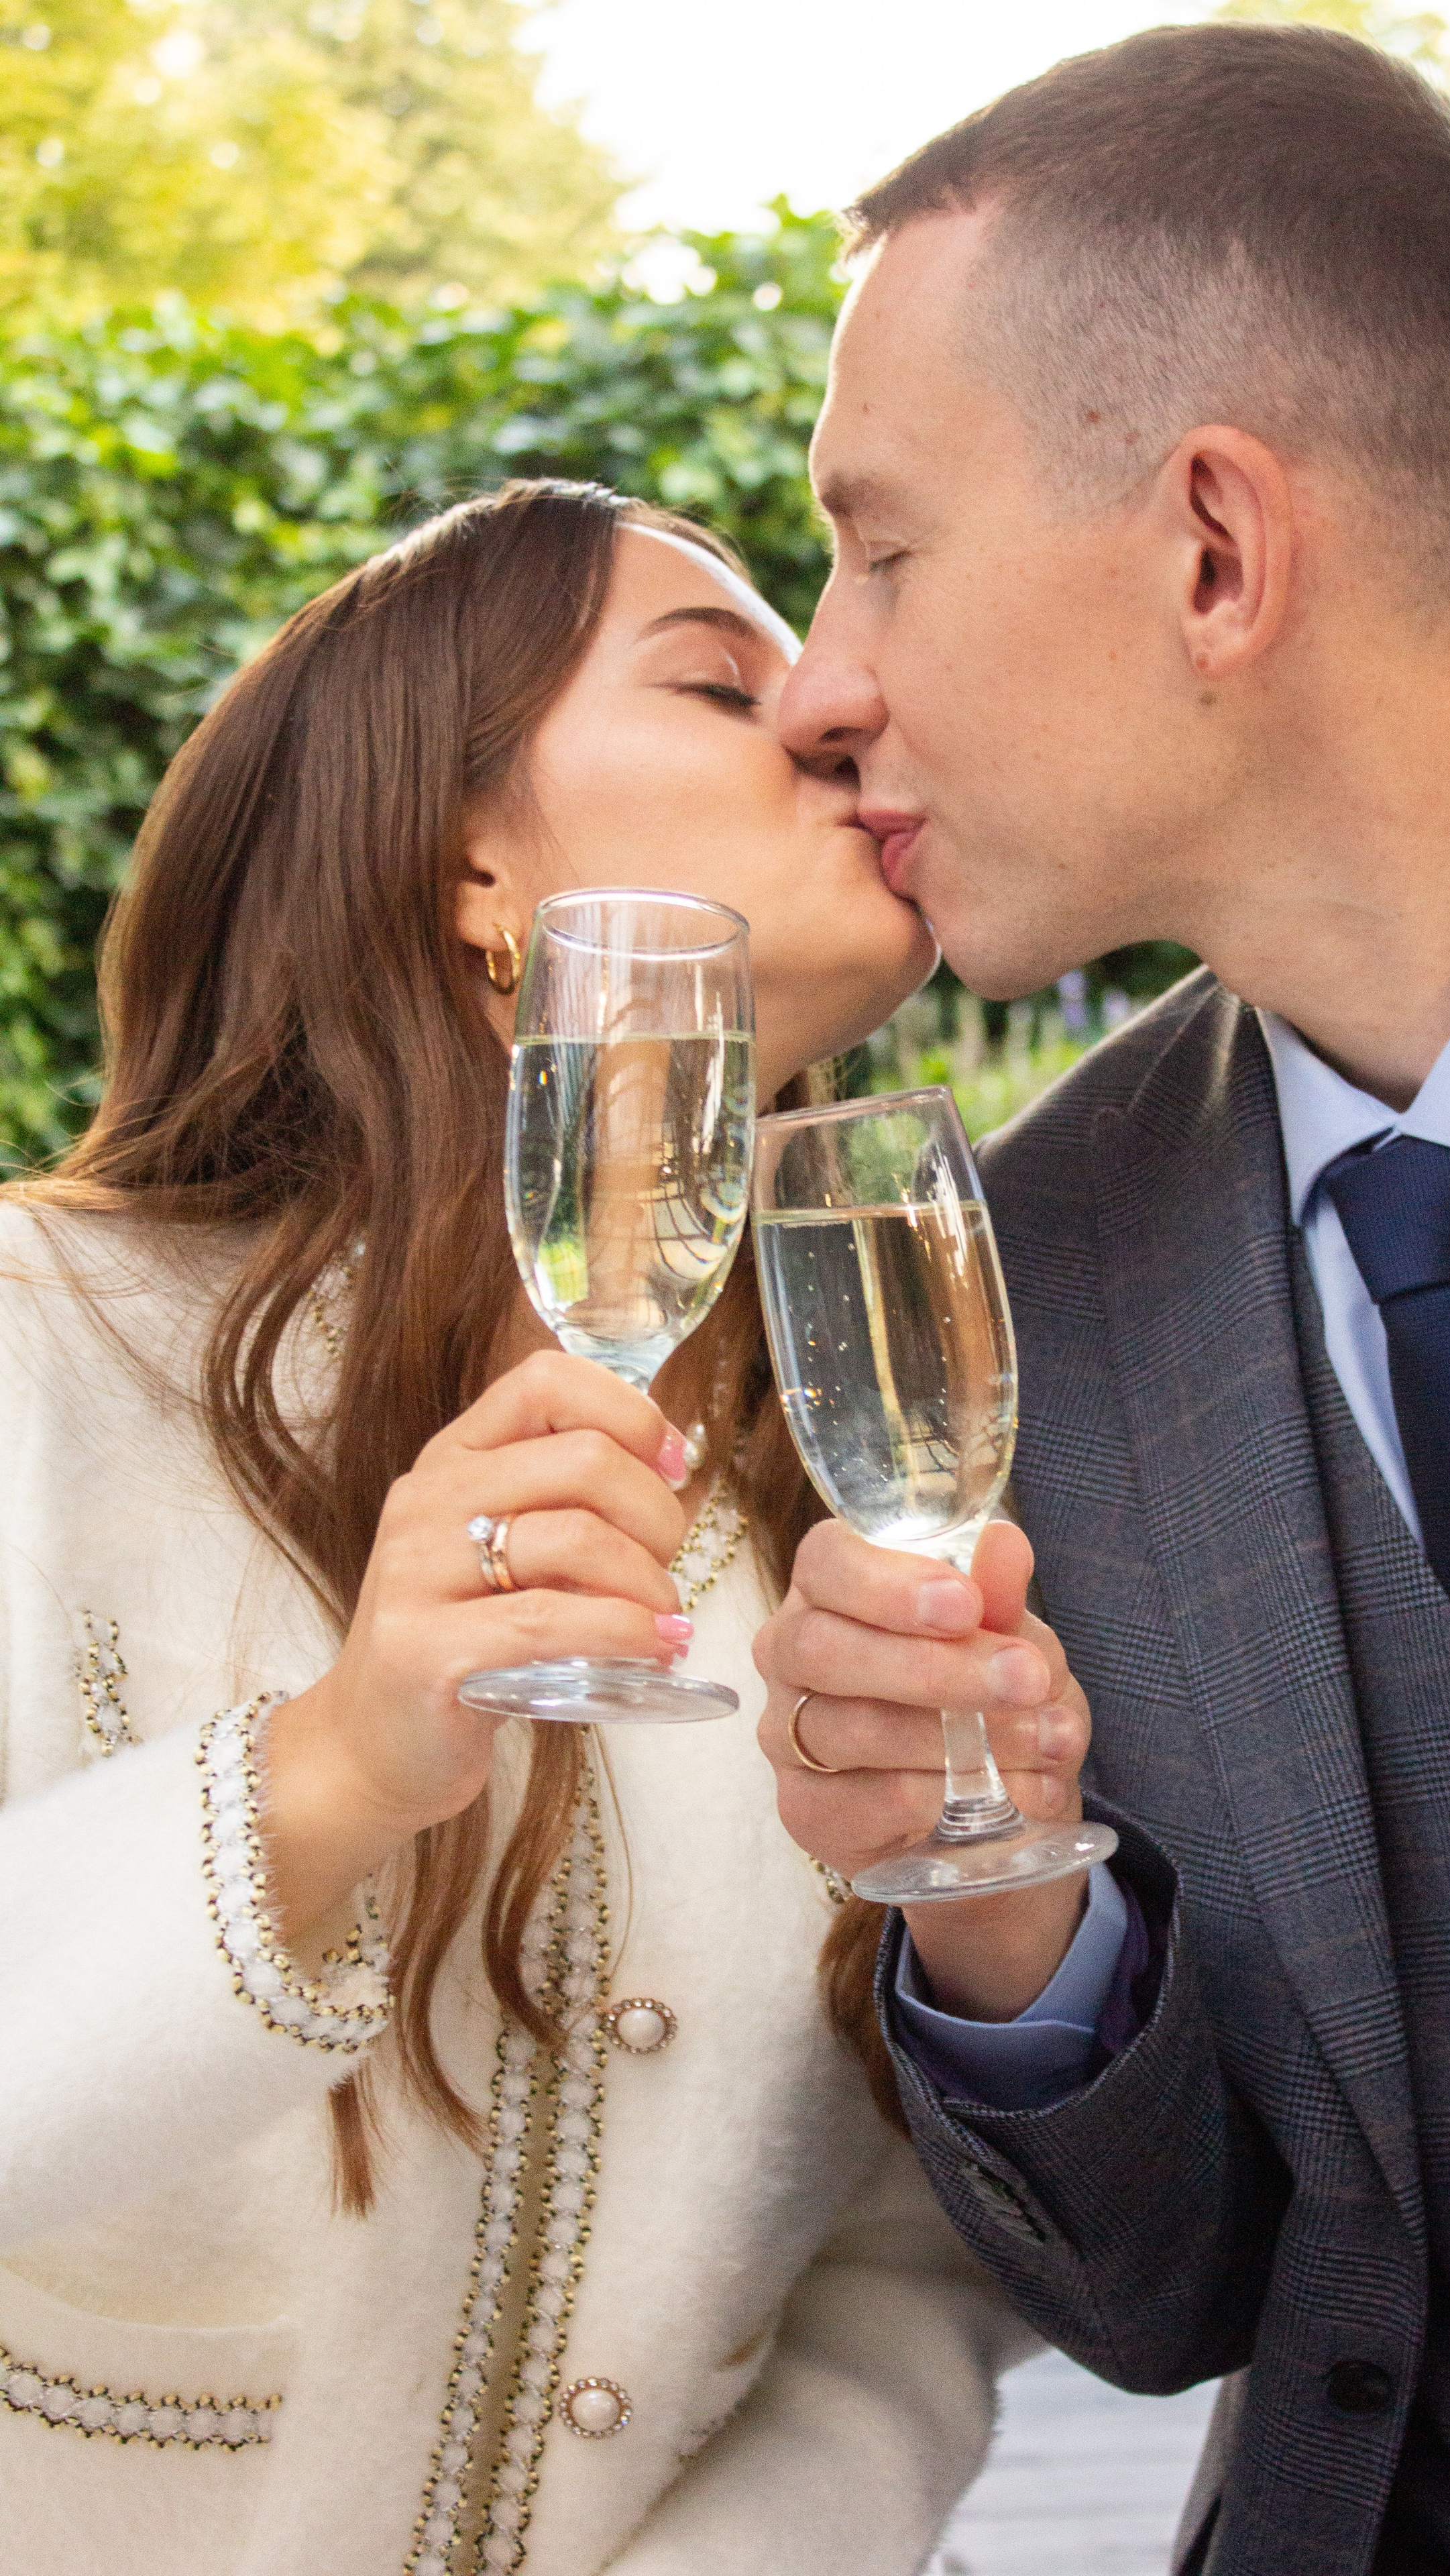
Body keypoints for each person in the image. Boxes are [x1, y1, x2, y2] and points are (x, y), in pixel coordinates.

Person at [753, 23, 1450, 2576]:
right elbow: (1174, 2293)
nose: (815, 680)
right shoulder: (1018, 1270)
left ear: (1212, 550)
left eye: (881, 543)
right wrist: (1004, 1913)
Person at [0, 478, 1030, 2576]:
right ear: (473, 859)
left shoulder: (878, 1459)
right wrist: (333, 1769)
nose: (840, 708)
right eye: (719, 677)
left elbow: (901, 2278)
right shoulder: (42, 1347)